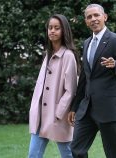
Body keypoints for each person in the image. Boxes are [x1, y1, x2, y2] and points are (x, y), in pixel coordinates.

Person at [68, 4, 116, 158]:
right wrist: (74, 107)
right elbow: (85, 78)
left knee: (113, 153)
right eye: (89, 17)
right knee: (77, 149)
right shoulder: (86, 43)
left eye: (96, 15)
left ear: (105, 17)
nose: (93, 19)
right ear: (86, 21)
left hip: (108, 107)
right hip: (86, 109)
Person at [28, 14, 79, 158]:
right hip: (40, 115)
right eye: (50, 28)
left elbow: (71, 89)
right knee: (33, 155)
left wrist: (58, 112)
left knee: (68, 154)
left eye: (57, 28)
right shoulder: (48, 54)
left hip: (58, 115)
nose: (52, 31)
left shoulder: (68, 56)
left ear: (64, 31)